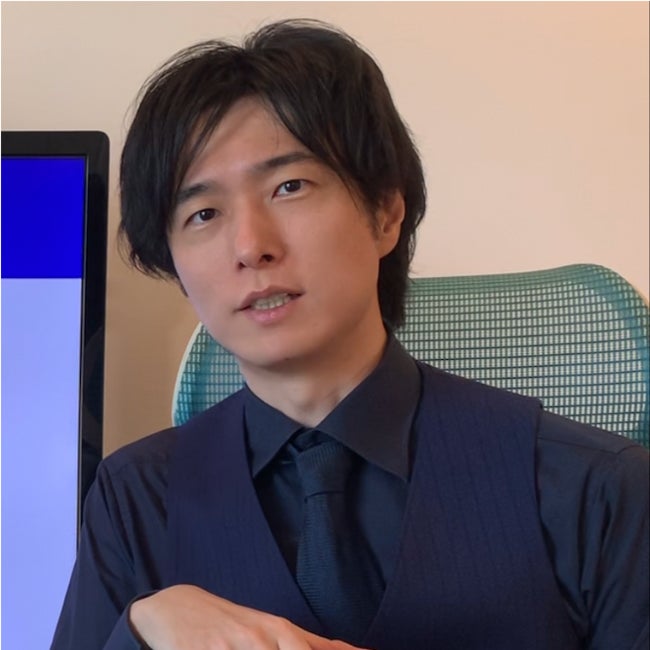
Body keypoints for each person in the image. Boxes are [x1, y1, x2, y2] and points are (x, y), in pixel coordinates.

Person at [52, 19, 649, 650]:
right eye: (202, 213)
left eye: (289, 186)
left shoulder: (598, 491)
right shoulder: (135, 499)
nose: (251, 246)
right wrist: (141, 629)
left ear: (386, 213)